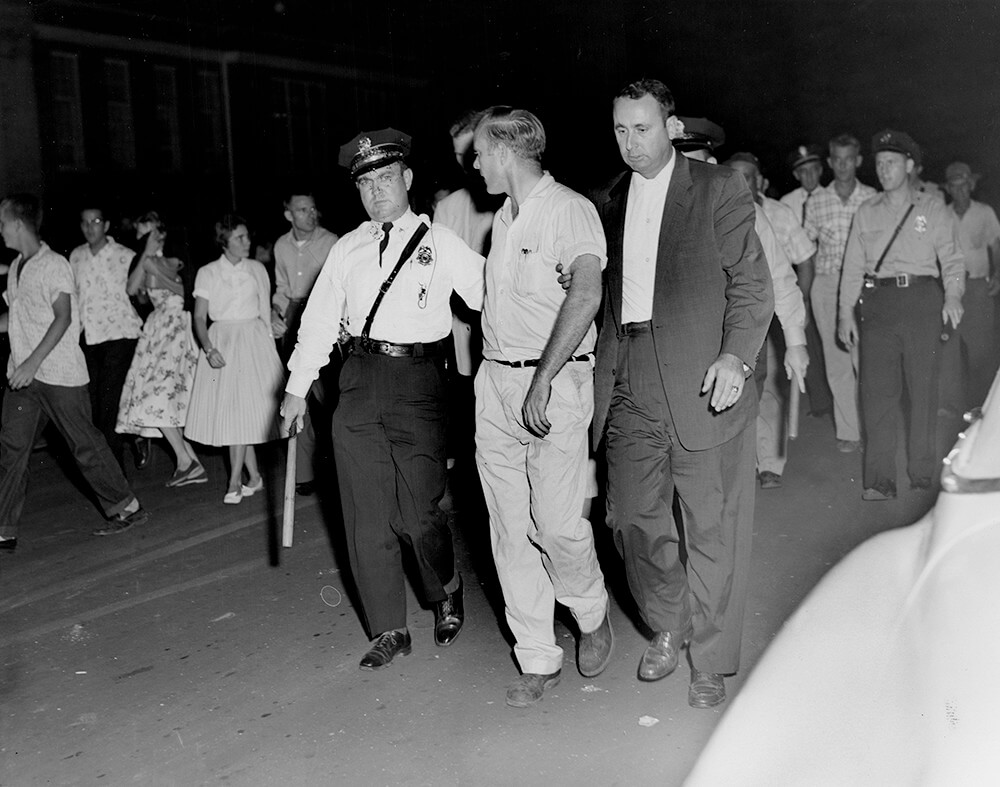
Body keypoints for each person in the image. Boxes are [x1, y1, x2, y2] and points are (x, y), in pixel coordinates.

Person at [592, 80, 773, 708]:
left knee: (712, 524)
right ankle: (671, 622)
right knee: (630, 519)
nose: (631, 143)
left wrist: (735, 356)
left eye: (642, 129)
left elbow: (752, 285)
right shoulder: (609, 201)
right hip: (630, 373)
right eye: (620, 130)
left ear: (668, 127)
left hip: (703, 375)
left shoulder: (717, 190)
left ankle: (711, 658)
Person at [281, 128, 485, 671]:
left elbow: (489, 294)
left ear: (408, 179)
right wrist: (297, 388)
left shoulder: (440, 243)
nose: (376, 191)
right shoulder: (347, 248)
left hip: (418, 381)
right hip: (358, 379)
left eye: (386, 177)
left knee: (419, 514)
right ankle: (389, 627)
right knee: (365, 514)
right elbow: (320, 320)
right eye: (366, 181)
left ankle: (445, 591)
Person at [471, 106, 611, 708]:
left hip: (553, 385)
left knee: (555, 524)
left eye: (479, 152)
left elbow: (587, 289)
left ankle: (589, 608)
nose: (474, 164)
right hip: (496, 384)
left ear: (505, 152)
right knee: (509, 528)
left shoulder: (569, 210)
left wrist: (543, 377)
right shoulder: (501, 221)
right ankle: (536, 654)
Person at [0, 194, 148, 553]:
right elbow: (18, 319)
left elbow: (63, 316)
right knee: (11, 447)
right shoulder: (19, 266)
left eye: (2, 222)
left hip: (58, 372)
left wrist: (32, 364)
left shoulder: (53, 265)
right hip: (23, 376)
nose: (0, 229)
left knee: (83, 443)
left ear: (18, 224)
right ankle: (4, 528)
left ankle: (125, 505)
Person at [838, 130, 965, 500]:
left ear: (909, 166)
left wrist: (953, 295)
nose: (884, 169)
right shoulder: (867, 211)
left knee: (923, 390)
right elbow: (852, 266)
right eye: (879, 163)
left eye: (891, 162)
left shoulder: (932, 208)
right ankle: (880, 480)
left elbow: (952, 258)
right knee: (876, 393)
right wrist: (845, 313)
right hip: (878, 303)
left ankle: (922, 471)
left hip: (923, 301)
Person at [723, 153, 810, 490]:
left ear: (761, 180)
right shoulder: (718, 207)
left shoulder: (774, 213)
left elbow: (797, 265)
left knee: (768, 388)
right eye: (734, 175)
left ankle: (770, 462)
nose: (741, 181)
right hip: (732, 313)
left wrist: (796, 325)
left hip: (770, 310)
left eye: (748, 176)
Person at [185, 214, 284, 504]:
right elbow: (200, 318)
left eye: (247, 236)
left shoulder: (257, 269)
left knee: (243, 414)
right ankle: (251, 477)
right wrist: (208, 348)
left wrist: (273, 329)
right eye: (239, 238)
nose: (247, 242)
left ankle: (236, 481)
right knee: (233, 413)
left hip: (253, 341)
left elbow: (265, 308)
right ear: (224, 241)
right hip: (223, 342)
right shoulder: (208, 272)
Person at [116, 212, 204, 487]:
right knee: (152, 393)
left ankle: (186, 461)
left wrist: (155, 268)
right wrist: (146, 257)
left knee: (158, 394)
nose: (147, 238)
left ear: (161, 231)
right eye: (142, 235)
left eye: (151, 232)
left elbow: (182, 289)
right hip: (156, 327)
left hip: (176, 324)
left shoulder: (176, 253)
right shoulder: (143, 258)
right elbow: (132, 288)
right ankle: (189, 462)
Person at [804, 134, 878, 452]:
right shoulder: (816, 201)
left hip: (864, 285)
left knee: (869, 361)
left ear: (858, 161)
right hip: (827, 284)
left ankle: (874, 428)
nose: (844, 165)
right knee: (837, 362)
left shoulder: (874, 198)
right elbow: (806, 250)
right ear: (830, 162)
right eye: (838, 159)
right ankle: (849, 432)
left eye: (850, 158)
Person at [270, 191, 338, 496]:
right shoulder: (281, 246)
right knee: (299, 397)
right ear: (289, 214)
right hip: (293, 317)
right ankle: (305, 473)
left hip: (323, 318)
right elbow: (281, 288)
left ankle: (339, 467)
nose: (311, 214)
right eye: (302, 210)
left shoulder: (331, 242)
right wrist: (277, 313)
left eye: (313, 208)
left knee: (331, 399)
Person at [69, 206, 144, 472]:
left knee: (108, 407)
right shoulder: (76, 257)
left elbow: (141, 294)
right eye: (85, 222)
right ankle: (130, 438)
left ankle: (116, 474)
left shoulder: (125, 256)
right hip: (88, 339)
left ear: (107, 225)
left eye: (96, 221)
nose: (90, 227)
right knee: (94, 405)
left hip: (119, 337)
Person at [940, 161, 1000, 413]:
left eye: (964, 186)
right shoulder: (941, 214)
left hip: (977, 287)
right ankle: (950, 405)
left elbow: (996, 246)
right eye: (954, 187)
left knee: (982, 351)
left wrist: (997, 275)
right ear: (948, 190)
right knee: (948, 350)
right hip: (950, 289)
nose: (960, 191)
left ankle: (984, 407)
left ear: (971, 185)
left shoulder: (985, 212)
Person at [781, 143, 833, 419]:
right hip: (797, 278)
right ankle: (820, 399)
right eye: (804, 172)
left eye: (814, 170)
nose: (810, 177)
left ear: (821, 171)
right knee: (804, 336)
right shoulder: (786, 203)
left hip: (825, 277)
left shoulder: (833, 198)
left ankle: (839, 398)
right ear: (797, 175)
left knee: (829, 340)